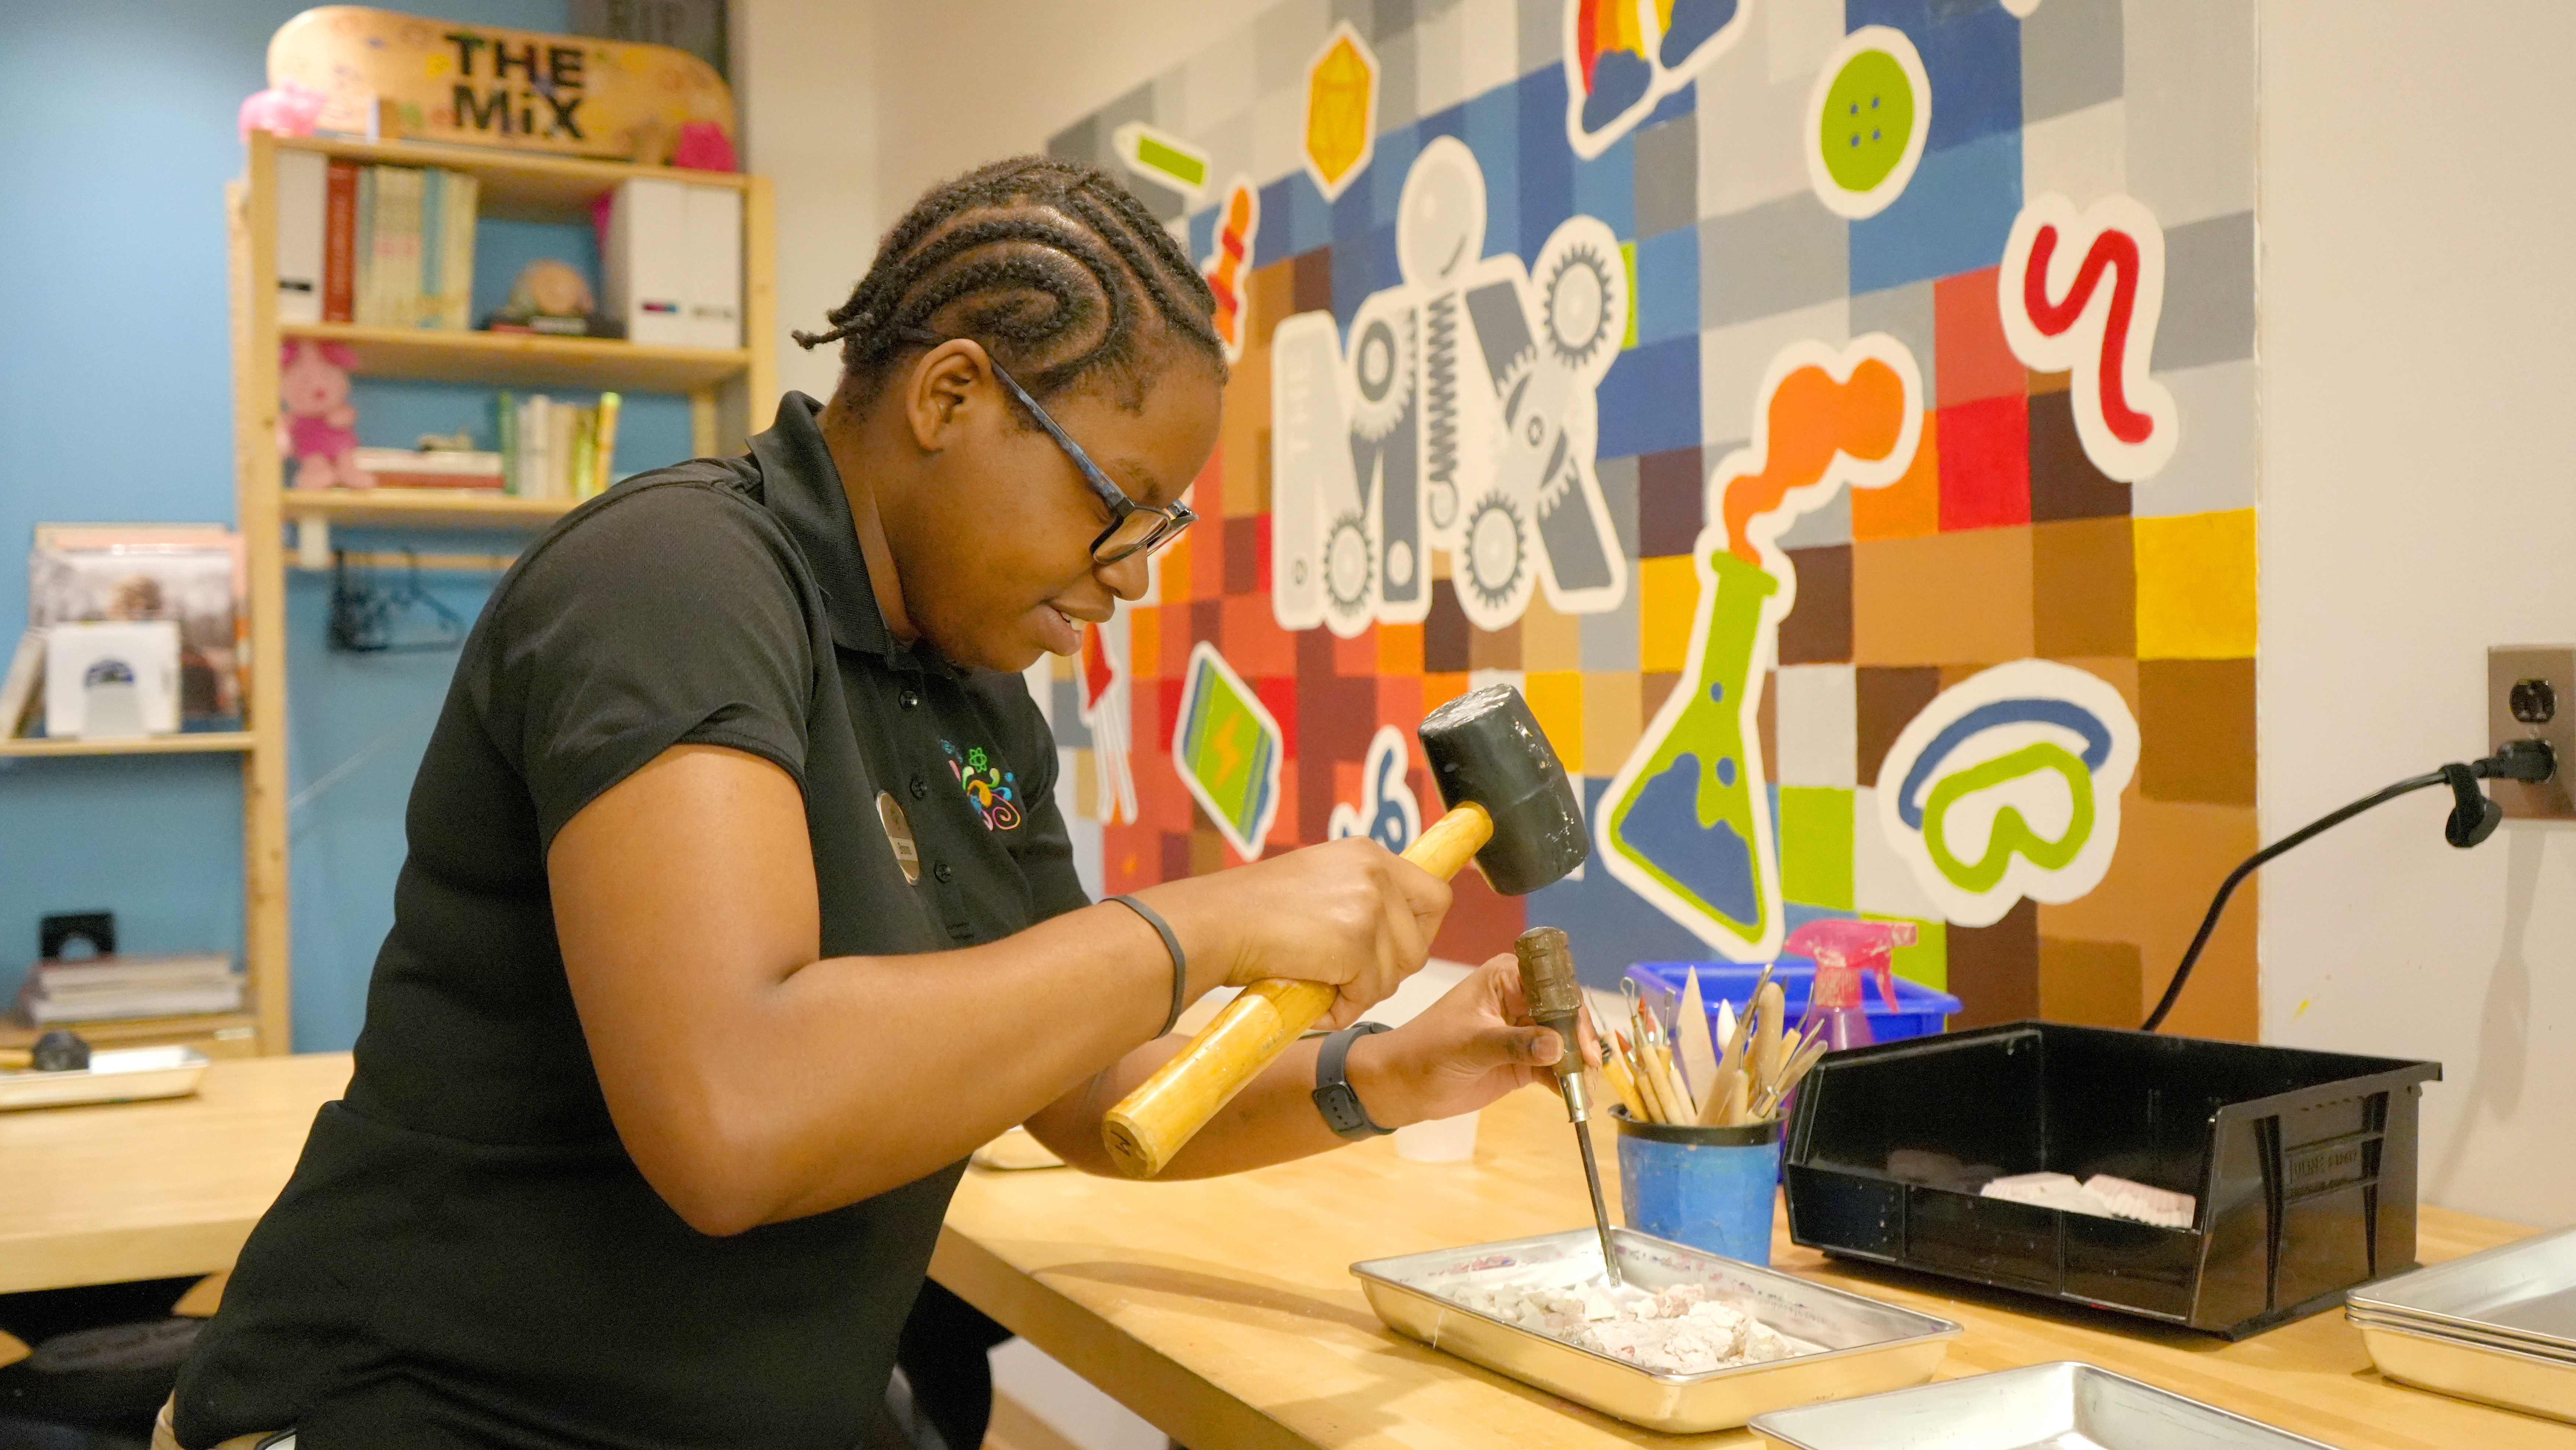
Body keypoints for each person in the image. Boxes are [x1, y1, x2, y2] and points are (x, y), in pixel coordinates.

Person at [165, 158, 1579, 1450]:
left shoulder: (970, 687)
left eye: (1159, 528)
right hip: (443, 1418)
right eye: (1119, 502)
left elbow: (1084, 1093)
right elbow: (737, 1115)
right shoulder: (676, 582)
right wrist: (1199, 925)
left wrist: (1389, 1073)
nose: (1132, 570)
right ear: (951, 396)